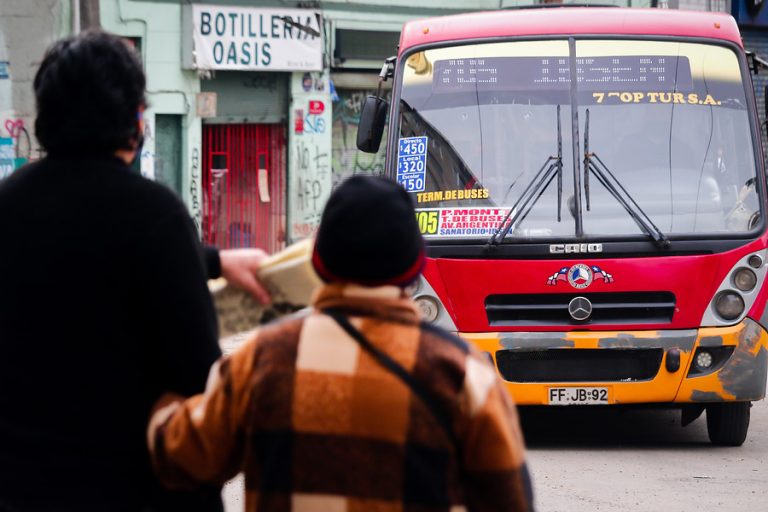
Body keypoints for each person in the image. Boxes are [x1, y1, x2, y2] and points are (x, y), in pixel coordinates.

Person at [147, 175, 535, 512]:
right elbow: (510, 499)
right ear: (415, 267)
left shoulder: (262, 360)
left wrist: (162, 383)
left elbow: (181, 458)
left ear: (317, 262)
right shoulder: (464, 372)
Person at [0, 31, 265, 511]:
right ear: (134, 119)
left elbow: (73, 251)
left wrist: (213, 260)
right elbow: (197, 378)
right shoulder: (154, 214)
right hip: (136, 488)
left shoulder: (9, 205)